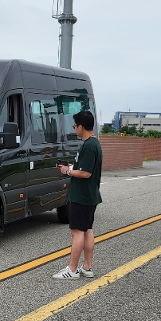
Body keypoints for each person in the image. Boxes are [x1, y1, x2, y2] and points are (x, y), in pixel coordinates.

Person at [53, 110, 103, 279]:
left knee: (77, 232)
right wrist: (70, 167)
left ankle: (72, 269)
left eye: (75, 126)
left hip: (82, 196)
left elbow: (85, 173)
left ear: (81, 126)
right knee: (87, 230)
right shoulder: (94, 143)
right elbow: (83, 168)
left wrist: (67, 171)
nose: (74, 128)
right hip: (90, 195)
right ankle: (87, 267)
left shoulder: (89, 146)